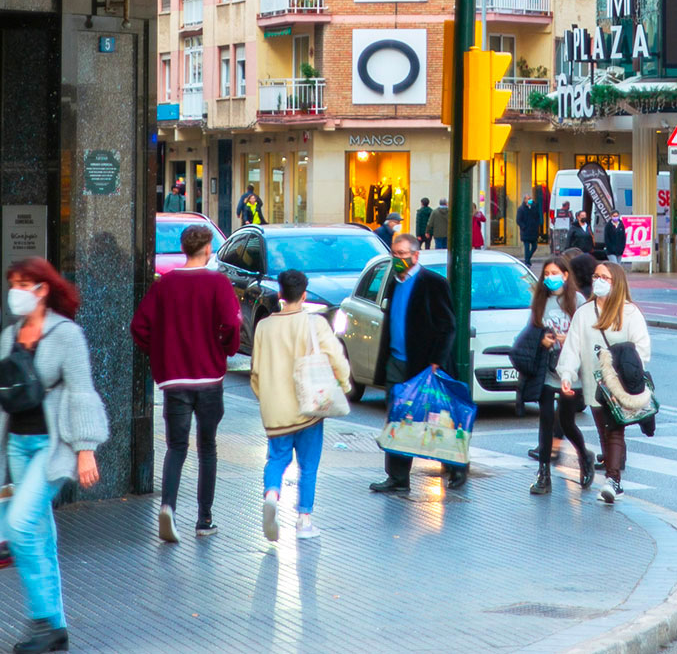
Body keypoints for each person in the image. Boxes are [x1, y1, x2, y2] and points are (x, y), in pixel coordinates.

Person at [0, 257, 108, 653]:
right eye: (13, 283)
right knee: (38, 534)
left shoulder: (66, 334)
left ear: (43, 290)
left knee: (20, 525)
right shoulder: (9, 336)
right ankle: (55, 627)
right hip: (17, 444)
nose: (16, 292)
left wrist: (85, 450)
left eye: (24, 284)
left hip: (52, 447)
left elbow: (82, 392)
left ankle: (41, 619)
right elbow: (3, 399)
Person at [131, 222, 241, 541]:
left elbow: (139, 326)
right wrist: (225, 349)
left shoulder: (165, 285)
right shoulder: (218, 283)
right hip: (209, 378)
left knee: (176, 447)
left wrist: (160, 352)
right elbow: (231, 325)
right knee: (207, 447)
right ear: (207, 249)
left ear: (183, 249)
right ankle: (204, 519)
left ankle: (168, 506)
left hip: (175, 380)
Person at [251, 268, 350, 541]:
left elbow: (256, 372)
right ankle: (304, 520)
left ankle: (272, 495)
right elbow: (336, 357)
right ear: (304, 295)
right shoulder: (315, 323)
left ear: (280, 294)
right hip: (309, 407)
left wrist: (266, 399)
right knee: (308, 465)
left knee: (277, 458)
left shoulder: (264, 327)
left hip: (276, 411)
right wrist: (344, 385)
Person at [369, 234, 466, 493]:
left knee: (436, 418)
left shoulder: (433, 283)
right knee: (397, 418)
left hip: (424, 365)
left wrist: (436, 361)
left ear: (416, 255)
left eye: (403, 254)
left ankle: (456, 467)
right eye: (395, 254)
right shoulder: (395, 282)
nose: (398, 259)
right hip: (396, 361)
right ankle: (397, 477)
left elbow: (448, 325)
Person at [558, 260, 652, 505]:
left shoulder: (629, 312)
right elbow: (572, 347)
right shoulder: (584, 313)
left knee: (614, 430)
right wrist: (567, 374)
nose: (598, 281)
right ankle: (614, 475)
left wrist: (625, 367)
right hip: (594, 384)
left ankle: (613, 480)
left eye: (604, 278)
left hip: (620, 385)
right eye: (596, 276)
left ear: (616, 282)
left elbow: (642, 349)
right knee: (604, 431)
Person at [527, 256, 592, 496]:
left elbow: (587, 335)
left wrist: (569, 340)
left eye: (555, 273)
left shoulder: (578, 301)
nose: (550, 278)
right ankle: (543, 474)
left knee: (566, 422)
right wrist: (542, 340)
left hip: (570, 371)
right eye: (546, 274)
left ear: (565, 275)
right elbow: (532, 331)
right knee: (545, 420)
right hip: (547, 368)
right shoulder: (540, 300)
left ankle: (584, 456)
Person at [517, 193, 545, 266]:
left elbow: (537, 216)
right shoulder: (521, 209)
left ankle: (528, 259)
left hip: (533, 231)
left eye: (530, 198)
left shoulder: (534, 207)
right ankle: (527, 262)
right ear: (525, 200)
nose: (530, 200)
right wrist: (524, 227)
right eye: (528, 199)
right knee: (527, 248)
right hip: (526, 232)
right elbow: (518, 220)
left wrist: (537, 225)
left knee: (534, 247)